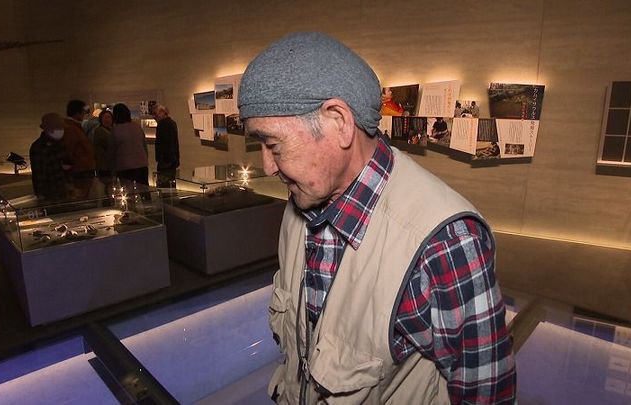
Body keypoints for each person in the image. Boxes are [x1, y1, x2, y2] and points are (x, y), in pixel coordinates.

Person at [238, 32, 515, 404]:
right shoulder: (299, 205)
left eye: (273, 145)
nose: (267, 166)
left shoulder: (446, 243)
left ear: (338, 122)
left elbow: (486, 394)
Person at [29, 113, 67, 200]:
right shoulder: (39, 147)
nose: (61, 131)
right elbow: (39, 174)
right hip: (49, 192)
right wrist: (40, 194)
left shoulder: (61, 143)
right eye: (57, 128)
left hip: (63, 189)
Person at [63, 99, 96, 198]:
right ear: (77, 113)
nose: (84, 115)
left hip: (81, 169)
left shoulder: (73, 126)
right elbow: (69, 149)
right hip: (80, 170)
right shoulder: (71, 128)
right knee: (80, 197)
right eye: (83, 112)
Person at [111, 103, 149, 185]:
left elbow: (112, 151)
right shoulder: (137, 127)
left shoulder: (115, 130)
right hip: (142, 164)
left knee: (128, 189)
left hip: (124, 166)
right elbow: (144, 146)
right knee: (144, 189)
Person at [152, 104, 179, 187]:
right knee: (170, 185)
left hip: (165, 162)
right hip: (172, 161)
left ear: (162, 112)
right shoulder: (172, 123)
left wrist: (164, 160)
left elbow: (165, 144)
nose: (154, 117)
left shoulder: (163, 125)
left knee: (164, 186)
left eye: (155, 114)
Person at [92, 109, 115, 180]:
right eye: (104, 117)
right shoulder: (99, 131)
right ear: (101, 119)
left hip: (112, 164)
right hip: (103, 164)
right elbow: (110, 143)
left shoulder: (113, 129)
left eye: (109, 117)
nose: (107, 120)